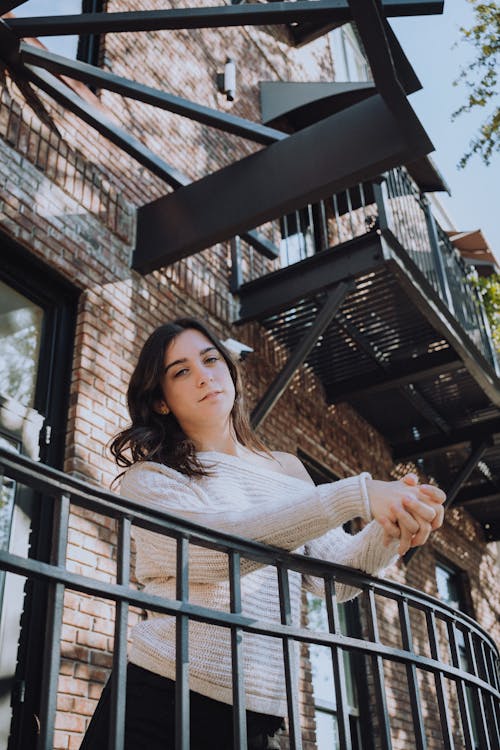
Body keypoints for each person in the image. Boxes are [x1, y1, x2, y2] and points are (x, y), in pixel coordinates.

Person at [79, 317, 445, 750]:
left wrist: (392, 526)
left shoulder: (287, 468)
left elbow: (336, 577)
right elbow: (218, 551)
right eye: (181, 371)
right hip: (162, 696)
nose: (203, 375)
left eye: (211, 359)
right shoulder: (153, 477)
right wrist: (357, 494)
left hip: (258, 716)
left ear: (230, 371)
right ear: (161, 402)